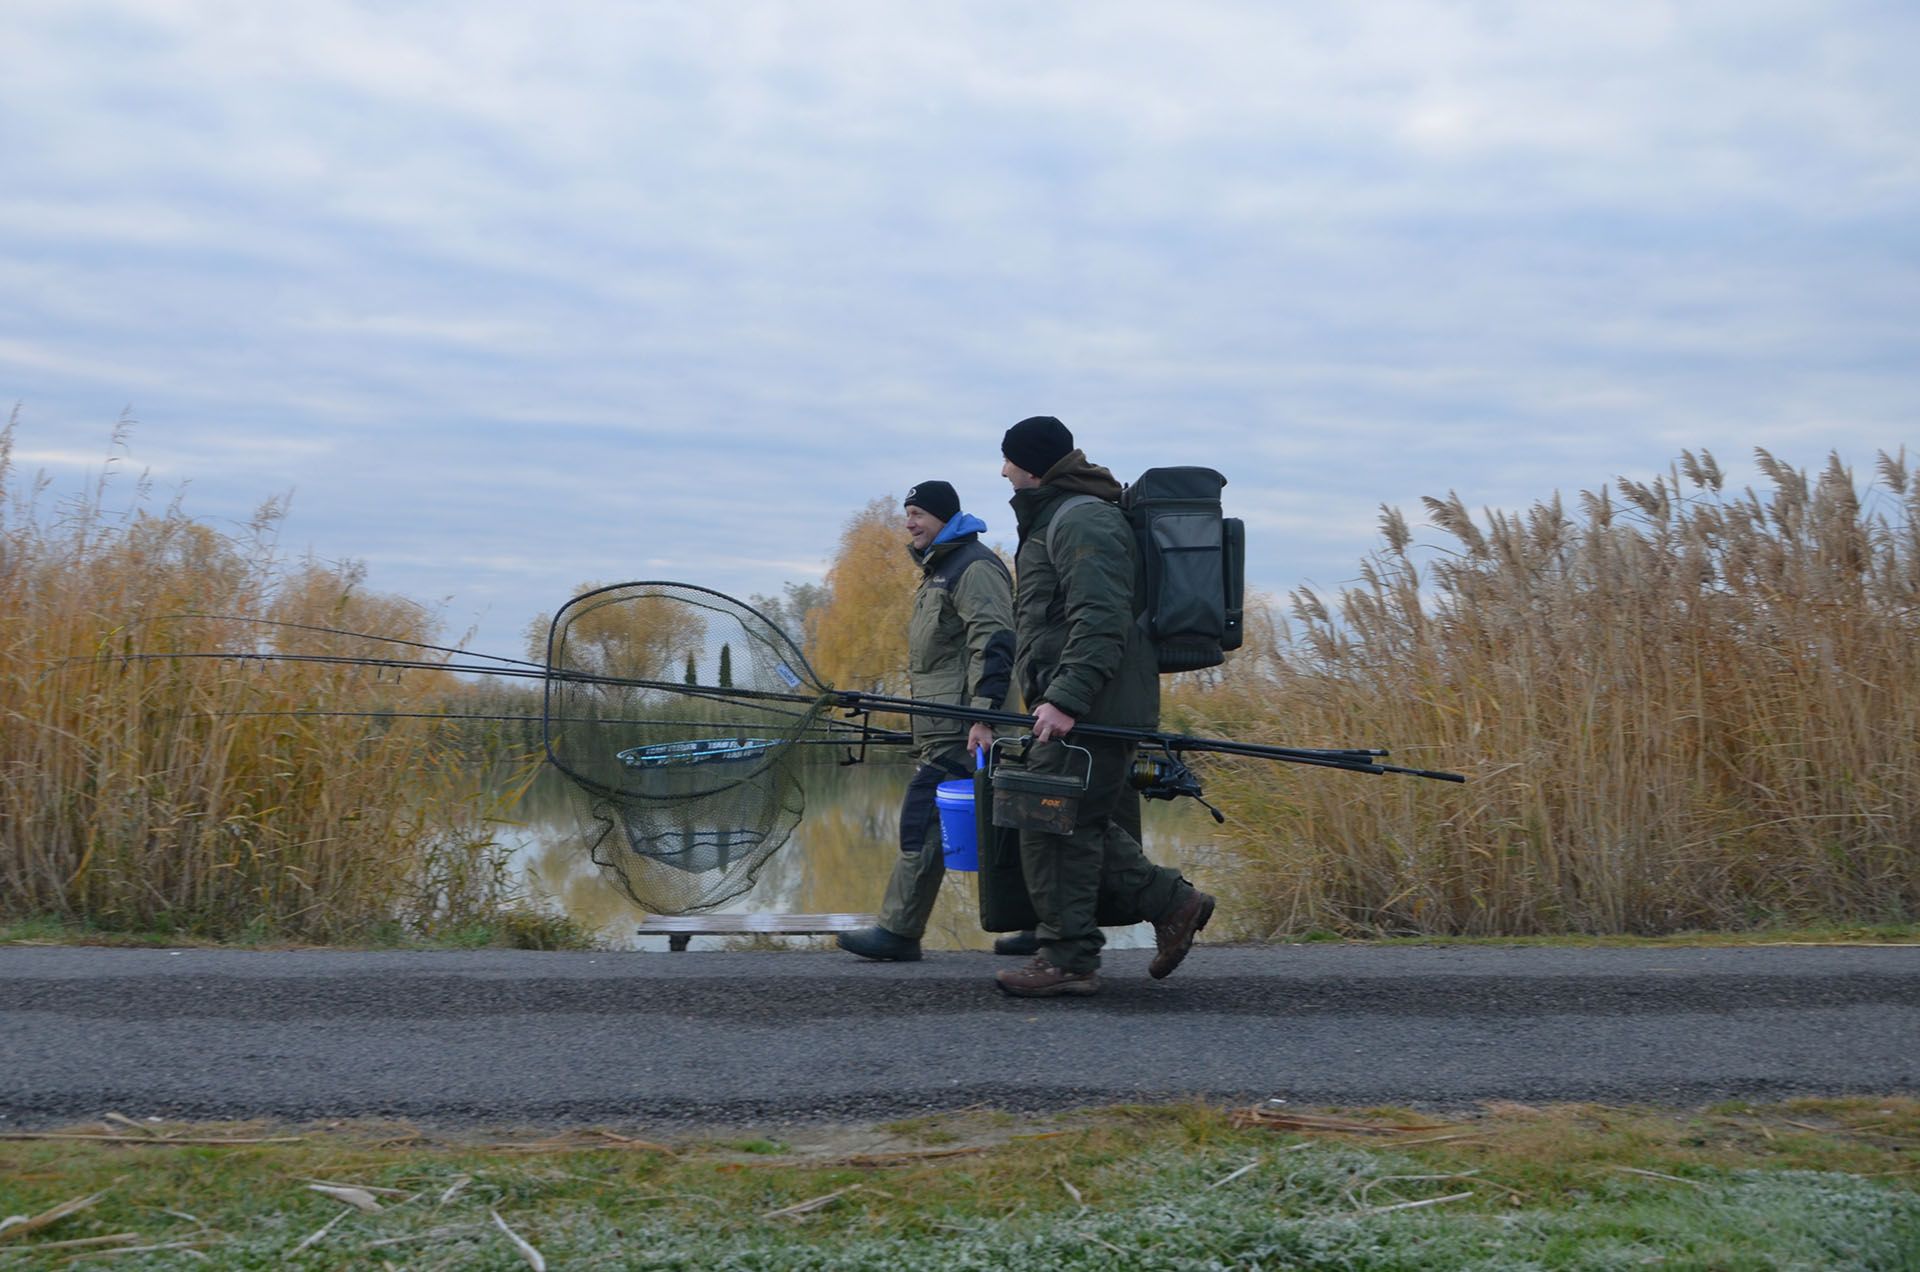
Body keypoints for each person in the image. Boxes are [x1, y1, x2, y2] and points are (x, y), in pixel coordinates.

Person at [994, 415, 1215, 998]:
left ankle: (1072, 958)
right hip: (1089, 705)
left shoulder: (1083, 519)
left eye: (1009, 460)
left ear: (1034, 465)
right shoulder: (1063, 516)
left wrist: (1066, 699)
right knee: (1075, 823)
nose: (1003, 470)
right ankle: (1166, 907)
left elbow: (1101, 618)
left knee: (1051, 821)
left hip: (1092, 708)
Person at [838, 481, 1024, 961]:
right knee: (1012, 823)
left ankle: (899, 931)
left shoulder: (973, 566)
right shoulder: (940, 570)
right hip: (947, 723)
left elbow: (996, 640)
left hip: (967, 725)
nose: (909, 522)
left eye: (918, 513)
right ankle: (1044, 927)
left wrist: (982, 716)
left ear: (944, 516)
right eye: (907, 513)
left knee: (924, 817)